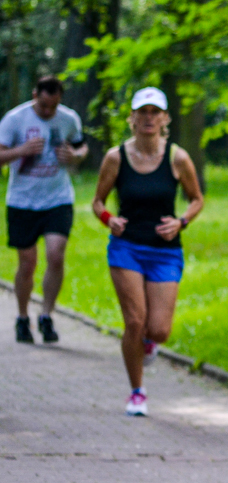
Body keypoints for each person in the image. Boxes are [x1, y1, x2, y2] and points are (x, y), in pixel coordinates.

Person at [92, 87, 204, 416]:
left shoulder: (177, 158)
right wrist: (108, 219)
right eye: (143, 111)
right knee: (135, 321)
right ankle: (137, 392)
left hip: (165, 252)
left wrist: (181, 222)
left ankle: (148, 343)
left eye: (155, 112)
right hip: (126, 248)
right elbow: (97, 201)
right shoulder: (115, 158)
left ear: (165, 118)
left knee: (159, 330)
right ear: (132, 117)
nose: (149, 118)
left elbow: (196, 199)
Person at [0, 76, 89, 344]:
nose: (49, 111)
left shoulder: (69, 119)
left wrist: (75, 156)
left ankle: (47, 315)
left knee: (55, 255)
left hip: (57, 199)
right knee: (27, 264)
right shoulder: (14, 119)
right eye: (44, 105)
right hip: (22, 201)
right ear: (34, 94)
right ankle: (22, 317)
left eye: (54, 106)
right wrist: (22, 150)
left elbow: (81, 146)